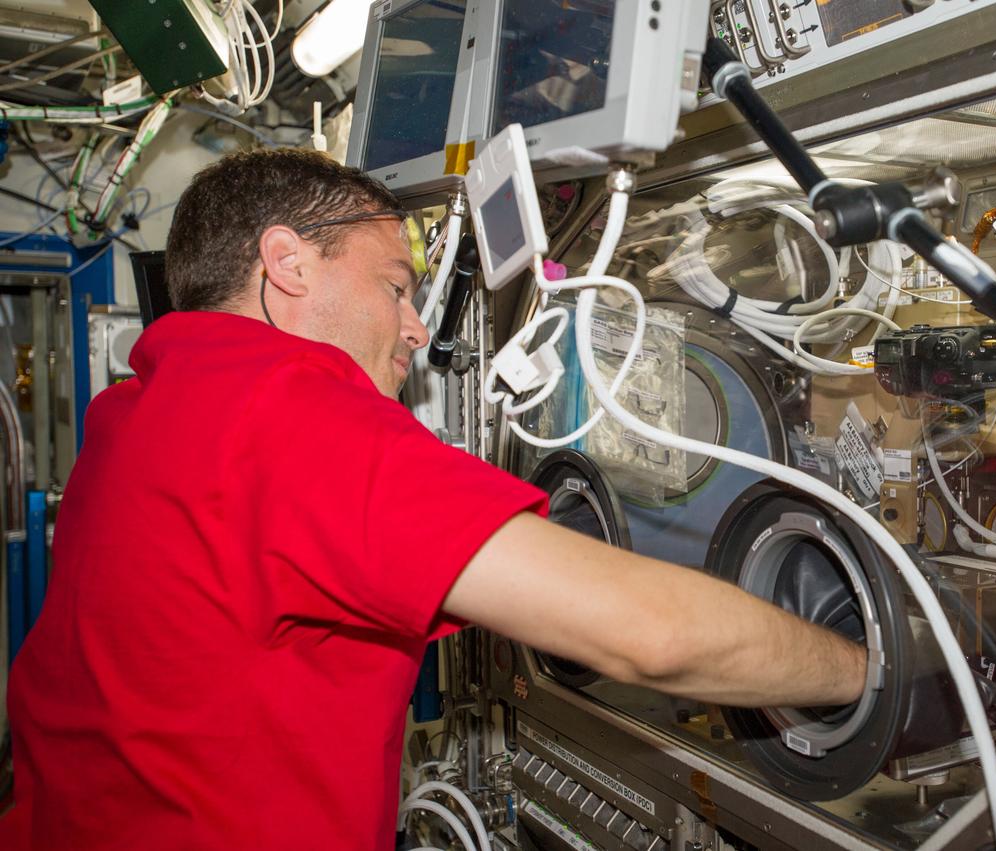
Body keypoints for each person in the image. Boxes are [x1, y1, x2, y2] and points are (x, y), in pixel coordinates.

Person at [3, 149, 867, 850]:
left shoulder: (138, 409)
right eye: (395, 286)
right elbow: (651, 634)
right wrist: (877, 672)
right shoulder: (285, 412)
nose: (417, 327)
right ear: (288, 263)